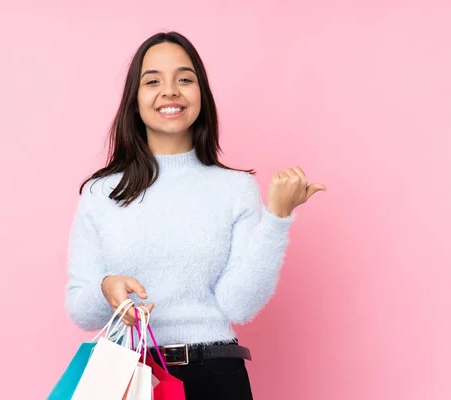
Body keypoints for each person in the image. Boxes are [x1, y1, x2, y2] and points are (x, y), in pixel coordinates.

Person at [64, 31, 326, 400]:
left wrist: (278, 218)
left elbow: (239, 305)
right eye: (152, 81)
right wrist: (106, 289)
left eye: (184, 79)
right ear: (133, 100)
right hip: (131, 375)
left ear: (200, 94)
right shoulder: (101, 193)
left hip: (217, 374)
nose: (170, 91)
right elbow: (81, 310)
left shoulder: (234, 187)